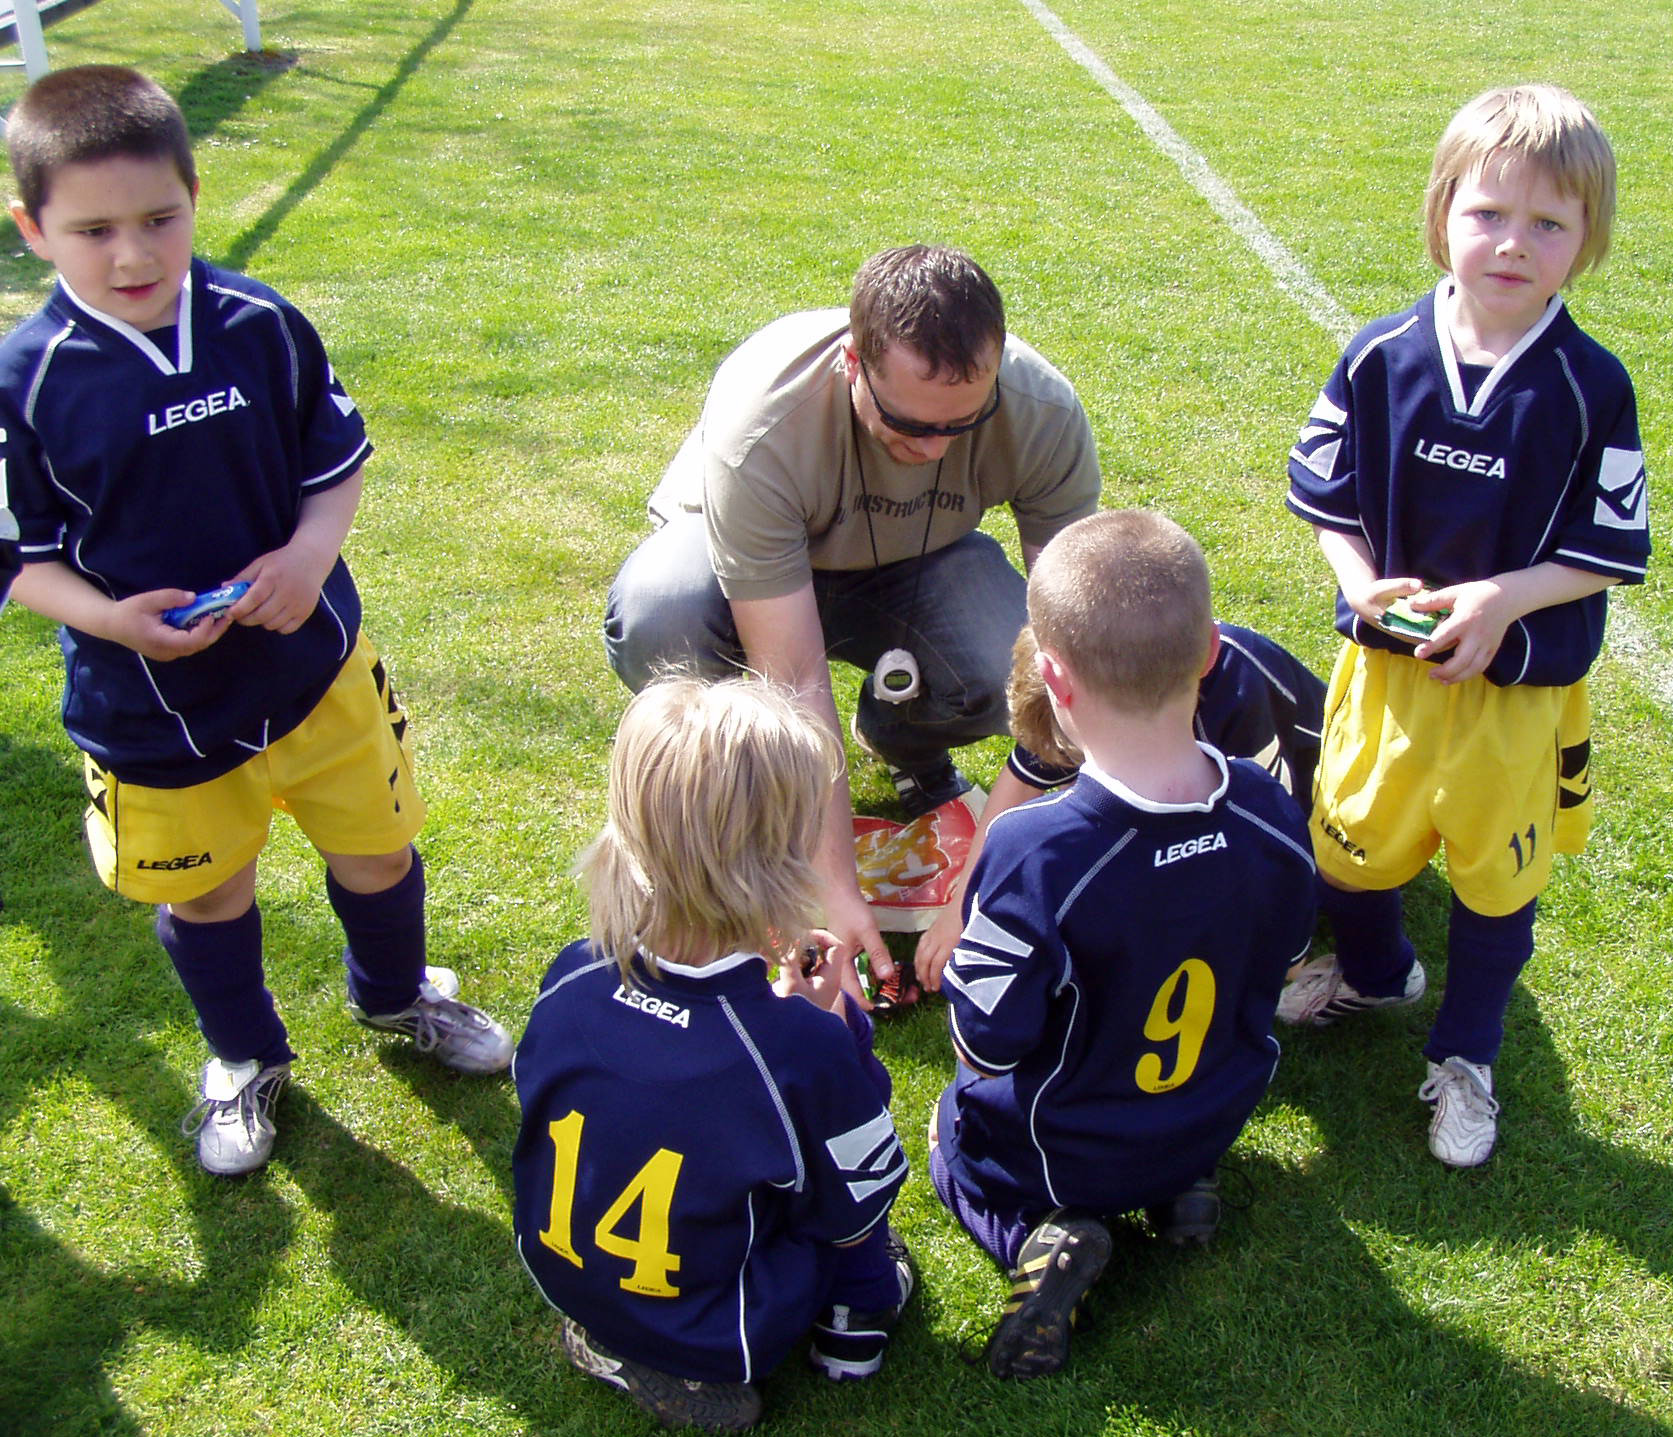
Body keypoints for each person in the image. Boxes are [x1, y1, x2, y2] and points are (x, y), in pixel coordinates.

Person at [0, 66, 512, 1178]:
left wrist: (307, 553)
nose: (133, 256)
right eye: (94, 231)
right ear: (32, 229)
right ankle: (242, 1055)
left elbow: (335, 469)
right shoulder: (24, 381)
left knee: (377, 852)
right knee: (209, 890)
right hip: (151, 710)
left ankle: (394, 997)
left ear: (194, 193)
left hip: (314, 668)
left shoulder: (259, 324)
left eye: (159, 219)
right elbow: (17, 560)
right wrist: (112, 621)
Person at [1281, 83, 1648, 1168]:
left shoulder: (1590, 388)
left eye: (1548, 223)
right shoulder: (1378, 353)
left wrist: (1502, 600)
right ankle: (1374, 967)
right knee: (1346, 849)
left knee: (1494, 878)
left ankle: (1466, 1054)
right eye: (1487, 213)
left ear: (1585, 241)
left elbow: (1603, 551)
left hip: (1514, 689)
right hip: (1385, 677)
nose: (1511, 243)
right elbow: (1327, 502)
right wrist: (1354, 583)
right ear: (1441, 209)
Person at [604, 244, 1101, 1000]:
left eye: (964, 423)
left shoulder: (1042, 410)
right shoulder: (763, 421)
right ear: (851, 362)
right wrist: (835, 893)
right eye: (906, 421)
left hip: (918, 562)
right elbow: (794, 676)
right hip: (734, 563)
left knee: (1005, 667)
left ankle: (900, 734)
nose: (933, 448)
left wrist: (980, 879)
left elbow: (1068, 646)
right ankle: (740, 794)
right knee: (658, 618)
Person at [930, 510, 1317, 1379]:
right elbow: (1285, 964)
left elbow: (985, 1040)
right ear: (1211, 649)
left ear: (1052, 680)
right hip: (1212, 1114)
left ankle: (1042, 1237)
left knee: (946, 1132)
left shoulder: (1034, 851)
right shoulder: (1269, 807)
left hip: (1066, 1152)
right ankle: (1183, 1188)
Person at [512, 677, 912, 1432]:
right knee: (850, 1201)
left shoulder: (569, 976)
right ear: (783, 863)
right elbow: (861, 1178)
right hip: (725, 1321)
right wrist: (838, 1032)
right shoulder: (794, 1048)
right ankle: (856, 1323)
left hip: (563, 1272)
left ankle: (608, 1335)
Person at [917, 617, 1325, 992]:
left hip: (1323, 804)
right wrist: (963, 906)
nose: (1082, 765)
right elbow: (1020, 783)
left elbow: (1266, 835)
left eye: (1083, 751)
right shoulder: (1097, 679)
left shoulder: (1237, 692)